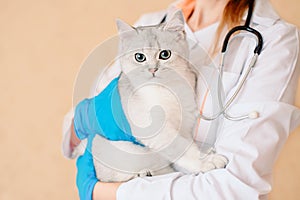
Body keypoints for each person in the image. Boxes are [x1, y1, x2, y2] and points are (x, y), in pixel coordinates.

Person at [62, 0, 300, 199]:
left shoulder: (274, 39)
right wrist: (85, 118)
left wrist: (103, 192)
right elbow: (76, 128)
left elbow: (234, 186)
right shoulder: (147, 24)